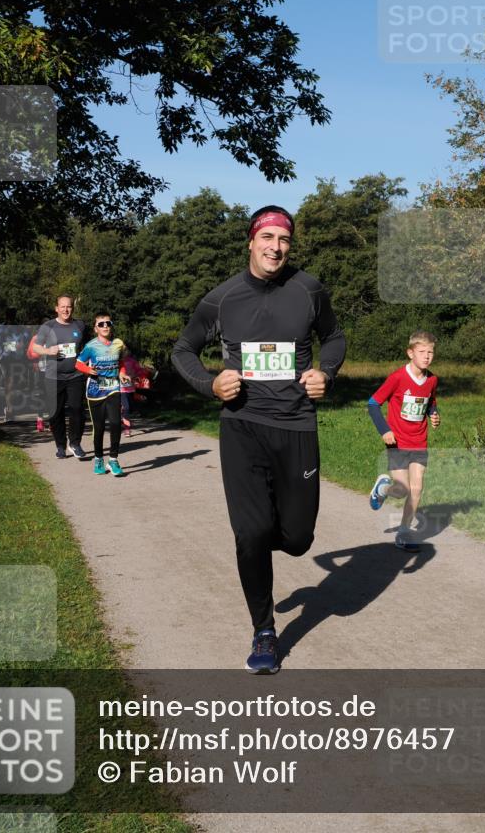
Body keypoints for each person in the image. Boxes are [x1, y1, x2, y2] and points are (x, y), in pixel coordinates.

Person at [172, 205, 346, 675]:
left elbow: (334, 338)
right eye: (266, 237)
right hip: (242, 426)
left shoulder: (309, 290)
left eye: (283, 239)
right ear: (251, 241)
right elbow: (183, 349)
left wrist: (324, 373)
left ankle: (268, 539)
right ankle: (265, 631)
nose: (275, 247)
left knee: (296, 539)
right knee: (250, 534)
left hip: (296, 426)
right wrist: (210, 385)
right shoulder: (223, 298)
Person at [367, 330, 440, 550]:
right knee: (402, 490)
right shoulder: (397, 378)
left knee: (417, 489)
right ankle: (382, 490)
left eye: (431, 352)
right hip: (397, 443)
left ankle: (404, 532)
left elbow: (430, 402)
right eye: (422, 352)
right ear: (411, 353)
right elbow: (373, 404)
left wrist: (433, 414)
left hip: (419, 441)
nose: (427, 356)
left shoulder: (432, 379)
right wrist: (384, 430)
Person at [74, 312, 129, 476]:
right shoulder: (91, 346)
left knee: (115, 423)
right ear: (95, 328)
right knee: (98, 428)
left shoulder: (118, 343)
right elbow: (78, 363)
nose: (105, 326)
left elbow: (121, 362)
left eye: (108, 323)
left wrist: (122, 373)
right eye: (101, 324)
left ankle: (113, 460)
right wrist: (88, 369)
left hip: (113, 388)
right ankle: (98, 459)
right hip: (95, 391)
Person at [33, 295, 87, 459]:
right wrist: (49, 351)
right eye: (62, 307)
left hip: (75, 375)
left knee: (77, 409)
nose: (66, 310)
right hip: (53, 376)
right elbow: (36, 347)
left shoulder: (80, 325)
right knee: (55, 413)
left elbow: (88, 346)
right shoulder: (47, 326)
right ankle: (60, 446)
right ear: (56, 308)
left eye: (69, 306)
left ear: (72, 308)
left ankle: (75, 443)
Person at [0, 309, 30, 422]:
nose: (10, 318)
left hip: (19, 359)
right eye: (9, 315)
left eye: (12, 315)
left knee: (18, 383)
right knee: (9, 382)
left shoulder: (21, 329)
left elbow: (27, 341)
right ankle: (9, 410)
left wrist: (21, 346)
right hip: (5, 358)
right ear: (6, 316)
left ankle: (11, 405)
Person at [119, 352, 154, 436]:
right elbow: (117, 372)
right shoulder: (118, 361)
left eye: (126, 350)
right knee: (126, 408)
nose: (125, 352)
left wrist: (144, 375)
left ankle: (123, 417)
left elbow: (139, 371)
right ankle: (127, 429)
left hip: (131, 388)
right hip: (121, 388)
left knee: (131, 408)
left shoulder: (132, 361)